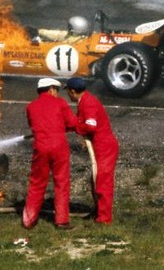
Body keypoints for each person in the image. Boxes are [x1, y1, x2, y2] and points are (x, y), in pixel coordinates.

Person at [22, 77, 78, 230]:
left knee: (37, 183)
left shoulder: (30, 106)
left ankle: (29, 220)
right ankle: (61, 221)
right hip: (59, 147)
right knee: (61, 183)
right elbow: (72, 123)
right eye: (57, 90)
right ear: (51, 89)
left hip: (40, 147)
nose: (58, 93)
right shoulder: (60, 103)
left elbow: (33, 125)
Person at [65, 77, 120, 224]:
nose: (68, 95)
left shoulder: (88, 103)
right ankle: (99, 211)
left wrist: (76, 128)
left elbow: (90, 126)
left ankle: (104, 218)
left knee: (102, 181)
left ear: (72, 91)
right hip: (100, 145)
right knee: (95, 180)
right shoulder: (85, 100)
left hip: (105, 146)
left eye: (68, 92)